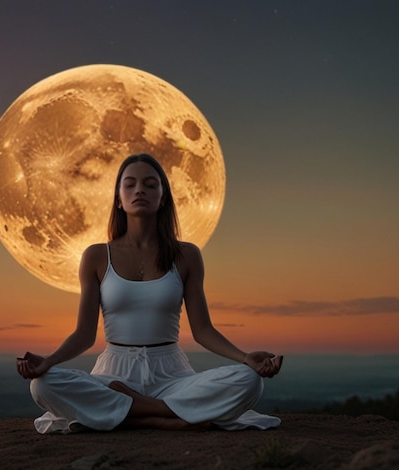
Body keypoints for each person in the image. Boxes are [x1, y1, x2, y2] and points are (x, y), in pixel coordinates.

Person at [17, 153, 283, 433]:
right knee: (43, 385)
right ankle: (162, 415)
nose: (139, 190)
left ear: (163, 197)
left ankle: (128, 412)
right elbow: (84, 335)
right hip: (114, 374)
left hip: (172, 375)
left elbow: (203, 330)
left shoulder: (187, 255)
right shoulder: (96, 256)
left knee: (250, 381)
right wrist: (48, 362)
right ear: (119, 199)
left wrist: (245, 358)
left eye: (150, 184)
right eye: (129, 184)